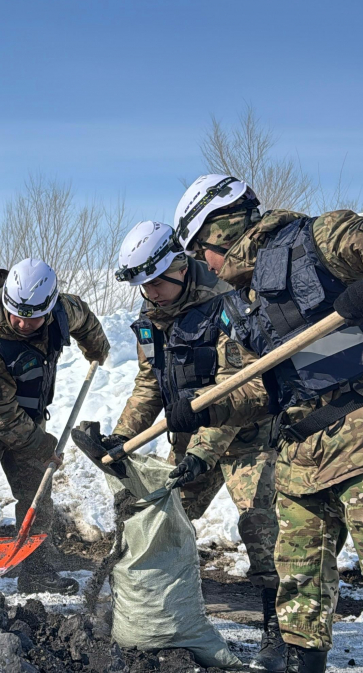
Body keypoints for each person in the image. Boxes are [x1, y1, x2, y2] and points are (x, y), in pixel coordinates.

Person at [166, 174, 363, 673]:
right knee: (299, 575)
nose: (205, 265)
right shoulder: (239, 305)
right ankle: (304, 661)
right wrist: (211, 408)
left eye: (201, 252)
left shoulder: (319, 238)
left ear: (219, 231)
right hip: (305, 447)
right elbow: (256, 387)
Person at [98, 219, 285, 670]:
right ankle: (147, 610)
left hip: (246, 437)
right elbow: (150, 383)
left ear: (181, 265)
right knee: (159, 517)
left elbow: (234, 387)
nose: (152, 293)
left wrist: (205, 452)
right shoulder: (151, 320)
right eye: (143, 286)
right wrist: (122, 437)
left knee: (262, 528)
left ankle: (278, 630)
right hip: (188, 441)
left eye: (158, 282)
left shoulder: (228, 301)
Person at [0, 258, 110, 595]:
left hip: (28, 411)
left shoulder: (61, 310)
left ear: (49, 308)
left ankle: (37, 569)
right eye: (17, 314)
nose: (23, 323)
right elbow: (0, 418)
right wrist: (44, 445)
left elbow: (84, 319)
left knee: (38, 485)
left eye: (33, 317)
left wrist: (97, 348)